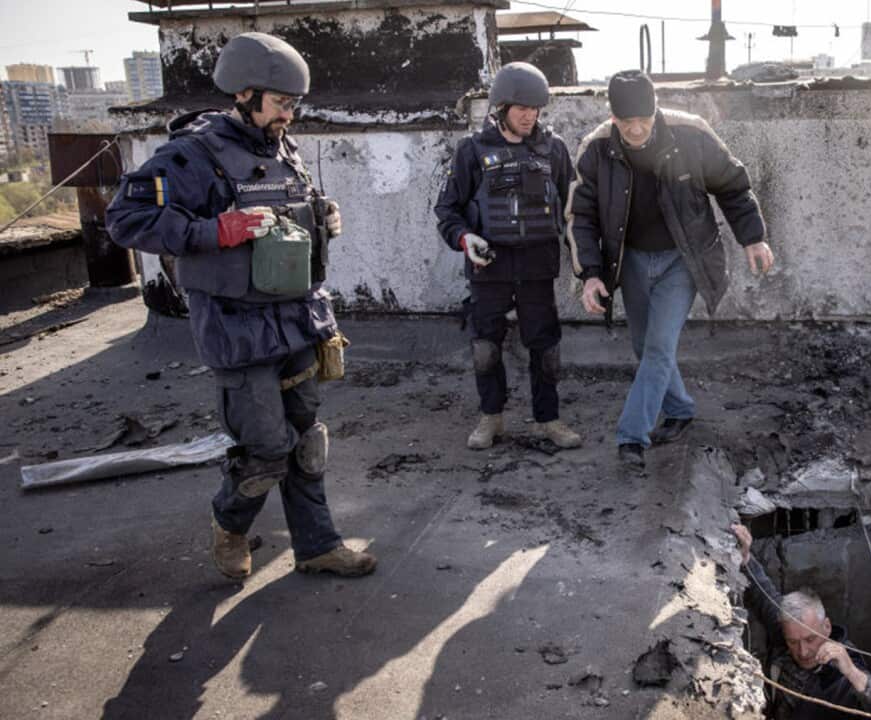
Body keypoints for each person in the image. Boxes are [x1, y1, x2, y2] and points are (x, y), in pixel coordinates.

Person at [106, 32, 376, 580]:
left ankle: (318, 546)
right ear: (246, 95)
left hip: (297, 320)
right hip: (238, 327)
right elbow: (124, 220)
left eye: (293, 105)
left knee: (305, 439)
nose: (289, 116)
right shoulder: (192, 154)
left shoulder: (281, 148)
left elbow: (286, 213)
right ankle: (229, 524)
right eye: (281, 103)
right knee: (268, 447)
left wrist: (322, 220)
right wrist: (212, 230)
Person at [567, 70, 774, 469]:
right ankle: (680, 409)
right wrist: (590, 274)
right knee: (645, 347)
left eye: (643, 119)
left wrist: (753, 237)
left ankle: (632, 438)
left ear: (655, 110)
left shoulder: (691, 134)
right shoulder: (595, 149)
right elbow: (581, 215)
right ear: (613, 119)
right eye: (627, 123)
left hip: (684, 258)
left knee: (660, 346)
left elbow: (733, 184)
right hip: (630, 261)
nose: (637, 129)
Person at [434, 62, 582, 451]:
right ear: (500, 108)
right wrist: (465, 238)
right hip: (490, 267)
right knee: (485, 347)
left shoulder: (555, 149)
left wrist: (589, 267)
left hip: (537, 267)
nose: (529, 116)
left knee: (546, 348)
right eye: (521, 108)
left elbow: (573, 212)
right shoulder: (472, 150)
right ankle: (491, 417)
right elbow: (447, 210)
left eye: (535, 108)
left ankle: (547, 419)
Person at [732, 524, 871, 719]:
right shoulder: (788, 630)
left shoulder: (843, 673)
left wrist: (852, 672)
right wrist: (745, 556)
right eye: (793, 642)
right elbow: (763, 595)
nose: (803, 652)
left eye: (810, 639)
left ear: (826, 627)